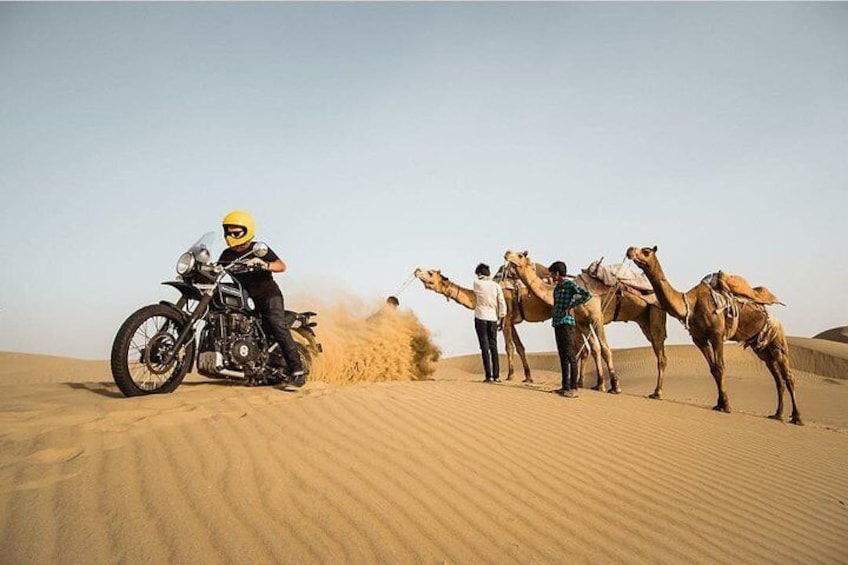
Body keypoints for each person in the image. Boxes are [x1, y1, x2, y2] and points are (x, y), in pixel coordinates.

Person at [218, 210, 305, 384]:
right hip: (245, 300)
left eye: (236, 232)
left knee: (276, 324)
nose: (231, 236)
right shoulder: (227, 255)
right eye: (229, 232)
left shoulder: (257, 249)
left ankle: (297, 370)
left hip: (268, 296)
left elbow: (281, 266)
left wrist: (264, 264)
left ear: (246, 230)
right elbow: (218, 271)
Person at [549, 261, 592, 398]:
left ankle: (573, 387)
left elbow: (587, 295)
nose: (551, 276)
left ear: (557, 273)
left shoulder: (569, 285)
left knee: (570, 354)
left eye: (552, 273)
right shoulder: (556, 288)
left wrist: (572, 305)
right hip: (557, 322)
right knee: (562, 355)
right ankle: (565, 386)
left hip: (567, 322)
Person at [472, 263, 507, 383]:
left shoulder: (477, 283)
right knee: (494, 347)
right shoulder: (496, 286)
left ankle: (488, 376)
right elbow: (502, 302)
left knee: (484, 347)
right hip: (493, 318)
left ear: (479, 274)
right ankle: (496, 376)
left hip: (480, 317)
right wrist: (502, 318)